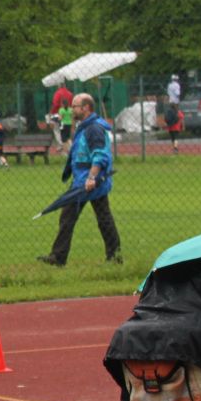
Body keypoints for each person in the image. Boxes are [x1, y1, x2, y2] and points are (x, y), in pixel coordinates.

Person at [40, 93, 122, 267]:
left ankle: (59, 257)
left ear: (85, 108)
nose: (72, 109)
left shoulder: (94, 129)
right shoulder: (85, 127)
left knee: (90, 218)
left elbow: (100, 155)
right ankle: (113, 257)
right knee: (93, 217)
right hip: (82, 180)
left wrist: (91, 177)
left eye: (75, 106)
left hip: (89, 182)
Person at [49, 83, 74, 148]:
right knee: (66, 133)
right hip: (68, 116)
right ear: (65, 85)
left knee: (56, 129)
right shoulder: (70, 94)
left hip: (58, 114)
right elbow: (72, 104)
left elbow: (55, 104)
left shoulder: (57, 93)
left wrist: (51, 113)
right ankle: (68, 144)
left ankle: (60, 144)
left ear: (59, 86)